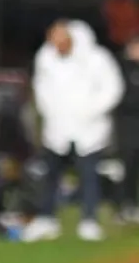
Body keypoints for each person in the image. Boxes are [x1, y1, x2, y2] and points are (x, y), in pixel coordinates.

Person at [24, 19, 124, 243]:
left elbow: (112, 88)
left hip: (89, 126)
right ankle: (46, 218)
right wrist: (51, 112)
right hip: (58, 126)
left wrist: (92, 111)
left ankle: (89, 220)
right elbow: (41, 88)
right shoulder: (46, 58)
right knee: (51, 174)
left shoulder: (96, 59)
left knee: (89, 175)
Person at [115, 35, 139, 222]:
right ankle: (126, 204)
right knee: (128, 165)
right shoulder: (121, 70)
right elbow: (120, 98)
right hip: (128, 127)